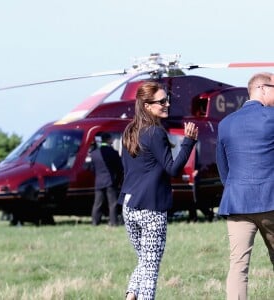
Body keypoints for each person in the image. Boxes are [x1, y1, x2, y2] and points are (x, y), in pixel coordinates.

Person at [118, 81, 198, 300]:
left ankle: (131, 296)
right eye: (161, 101)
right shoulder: (155, 133)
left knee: (145, 260)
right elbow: (172, 169)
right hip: (151, 207)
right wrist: (188, 143)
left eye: (166, 99)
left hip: (129, 205)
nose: (167, 104)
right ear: (147, 106)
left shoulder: (129, 130)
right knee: (150, 268)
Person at [216, 72, 274, 300]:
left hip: (237, 203)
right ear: (262, 88)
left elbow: (223, 168)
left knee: (238, 266)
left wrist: (235, 190)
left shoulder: (225, 123)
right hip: (270, 201)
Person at [90, 132, 123, 226]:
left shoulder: (94, 154)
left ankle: (95, 221)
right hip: (110, 181)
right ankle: (113, 221)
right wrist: (118, 179)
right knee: (112, 203)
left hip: (99, 181)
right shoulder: (113, 152)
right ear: (109, 140)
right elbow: (119, 168)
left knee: (97, 203)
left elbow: (92, 168)